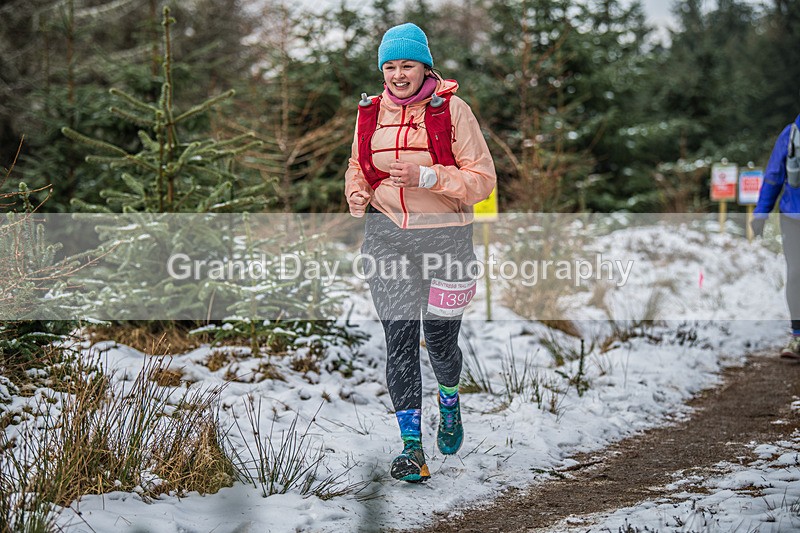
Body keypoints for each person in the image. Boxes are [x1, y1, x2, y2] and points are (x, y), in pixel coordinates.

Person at [345, 22, 496, 483]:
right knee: (401, 340)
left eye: (406, 64)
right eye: (389, 66)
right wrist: (356, 192)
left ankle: (449, 401)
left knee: (441, 340)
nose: (397, 74)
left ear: (424, 66)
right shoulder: (370, 112)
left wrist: (429, 177)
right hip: (387, 235)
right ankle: (412, 448)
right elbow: (358, 164)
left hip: (447, 237)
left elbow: (483, 180)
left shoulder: (452, 110)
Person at [752, 113, 800, 359]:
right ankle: (798, 334)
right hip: (793, 217)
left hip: (792, 216)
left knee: (795, 276)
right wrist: (761, 213)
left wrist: (760, 214)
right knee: (795, 275)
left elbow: (772, 176)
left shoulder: (790, 132)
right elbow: (774, 176)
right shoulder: (792, 133)